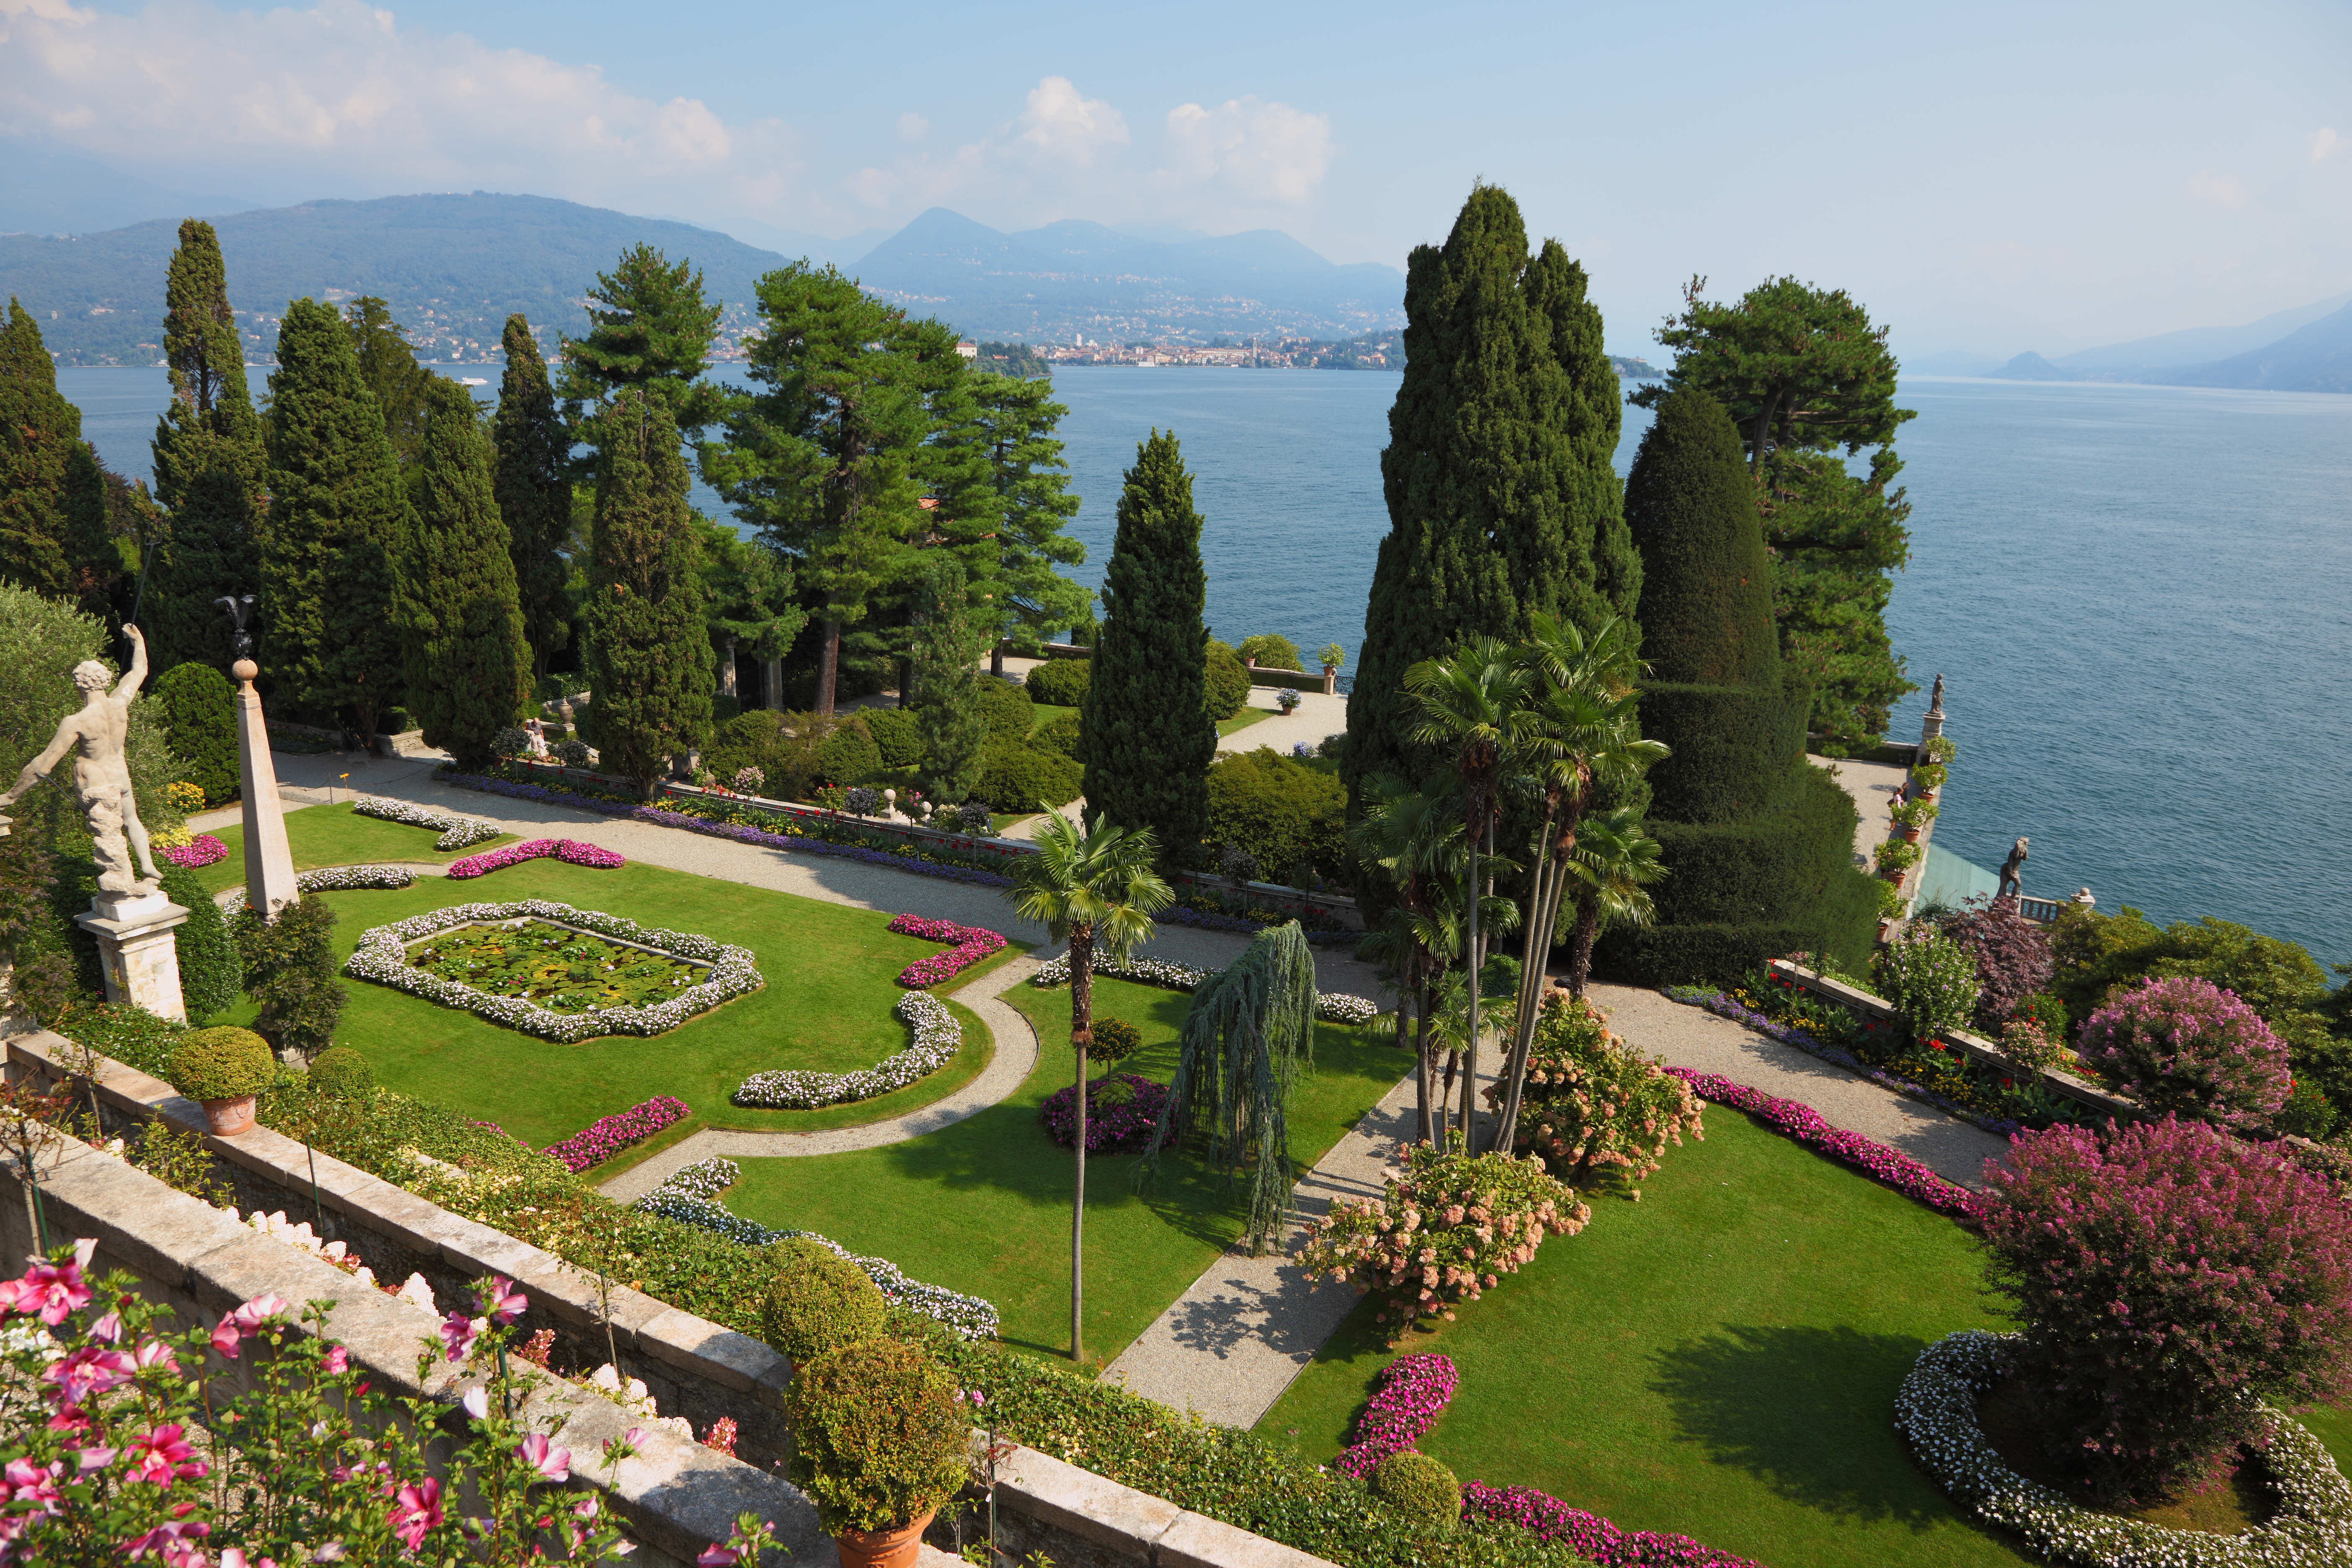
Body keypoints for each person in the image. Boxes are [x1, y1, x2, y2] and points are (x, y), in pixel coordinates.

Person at [0, 625, 165, 898]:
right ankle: (148, 865)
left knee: (87, 780)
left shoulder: (77, 722)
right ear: (104, 681)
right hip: (121, 776)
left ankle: (122, 876)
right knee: (132, 819)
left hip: (98, 783)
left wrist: (12, 795)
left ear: (79, 683)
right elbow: (140, 672)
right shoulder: (120, 703)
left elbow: (44, 764)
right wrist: (139, 642)